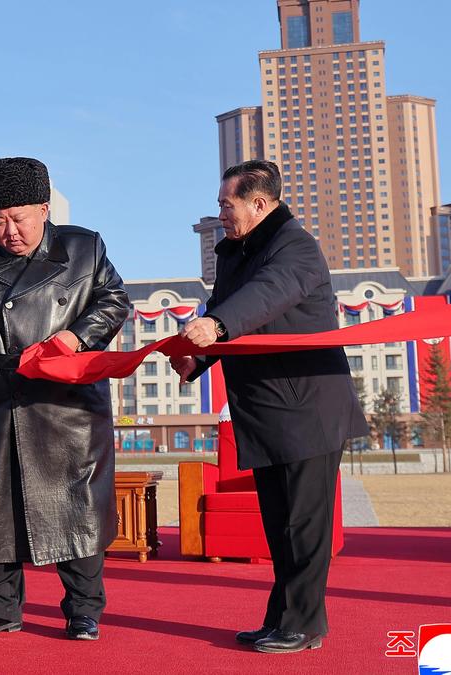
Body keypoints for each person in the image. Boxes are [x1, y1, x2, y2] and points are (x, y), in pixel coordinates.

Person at [171, 159, 369, 654]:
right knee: (280, 527)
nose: (221, 214)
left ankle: (304, 625)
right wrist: (198, 360)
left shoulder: (295, 247)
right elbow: (228, 310)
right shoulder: (236, 253)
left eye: (227, 205)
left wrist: (216, 326)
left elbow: (266, 297)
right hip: (265, 410)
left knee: (305, 526)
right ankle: (281, 620)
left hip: (308, 408)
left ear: (259, 204)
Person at [0, 157, 130, 641]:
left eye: (19, 219)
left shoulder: (84, 247)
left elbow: (114, 300)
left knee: (76, 506)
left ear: (44, 210)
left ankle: (83, 610)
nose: (9, 231)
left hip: (67, 400)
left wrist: (76, 337)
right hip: (0, 395)